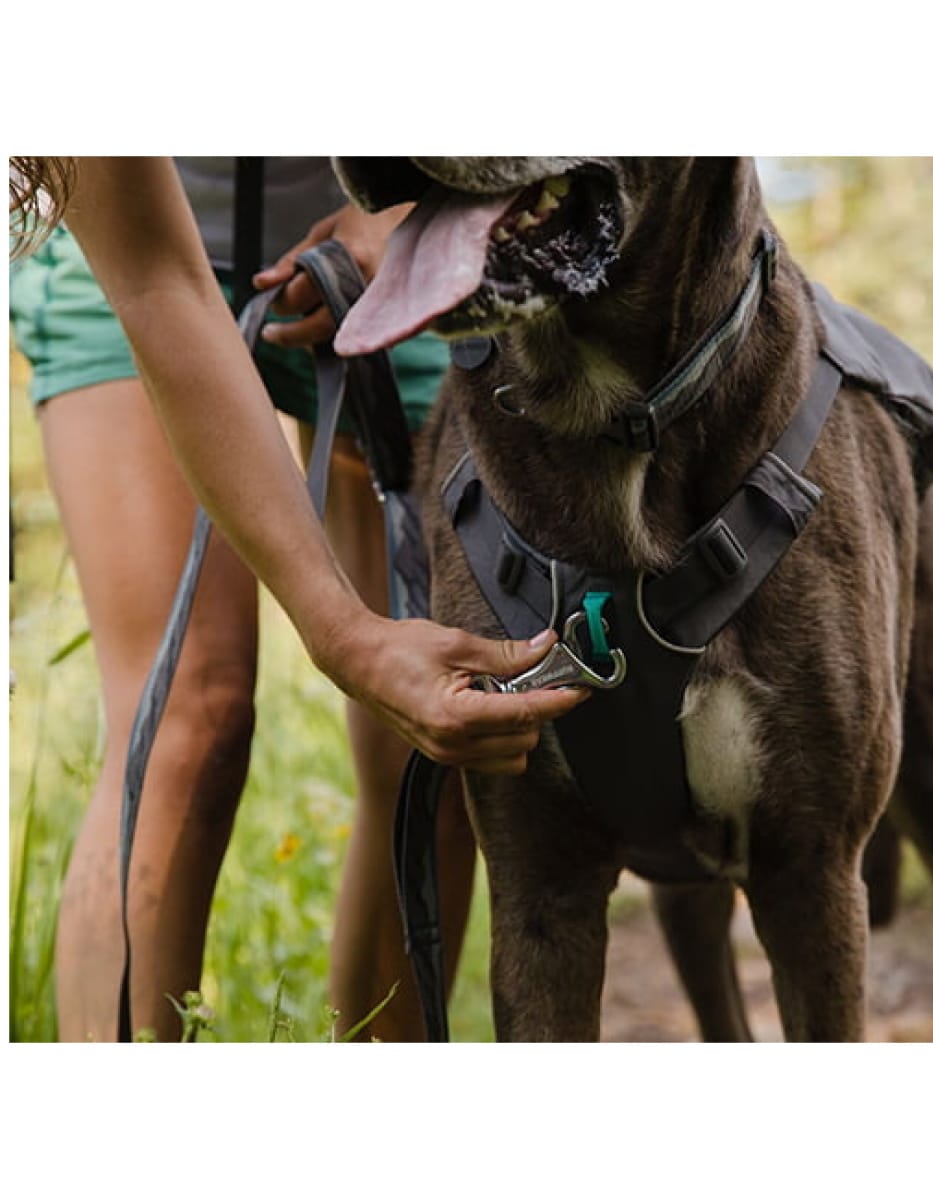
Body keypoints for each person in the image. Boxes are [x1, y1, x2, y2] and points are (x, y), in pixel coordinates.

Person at [8, 156, 585, 1042]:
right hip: (141, 265)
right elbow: (161, 285)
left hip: (416, 239)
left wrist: (408, 222)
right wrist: (341, 633)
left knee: (434, 752)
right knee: (184, 723)